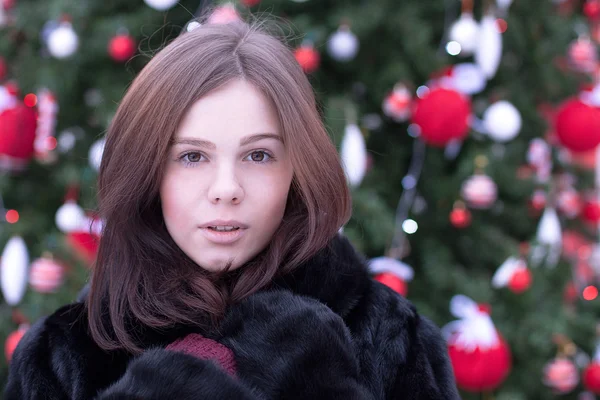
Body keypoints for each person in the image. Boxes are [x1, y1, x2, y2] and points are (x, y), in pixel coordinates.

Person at [5, 17, 460, 400]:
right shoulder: (61, 354)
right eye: (192, 156)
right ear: (149, 174)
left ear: (297, 171)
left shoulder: (392, 337)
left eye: (258, 155)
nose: (226, 190)